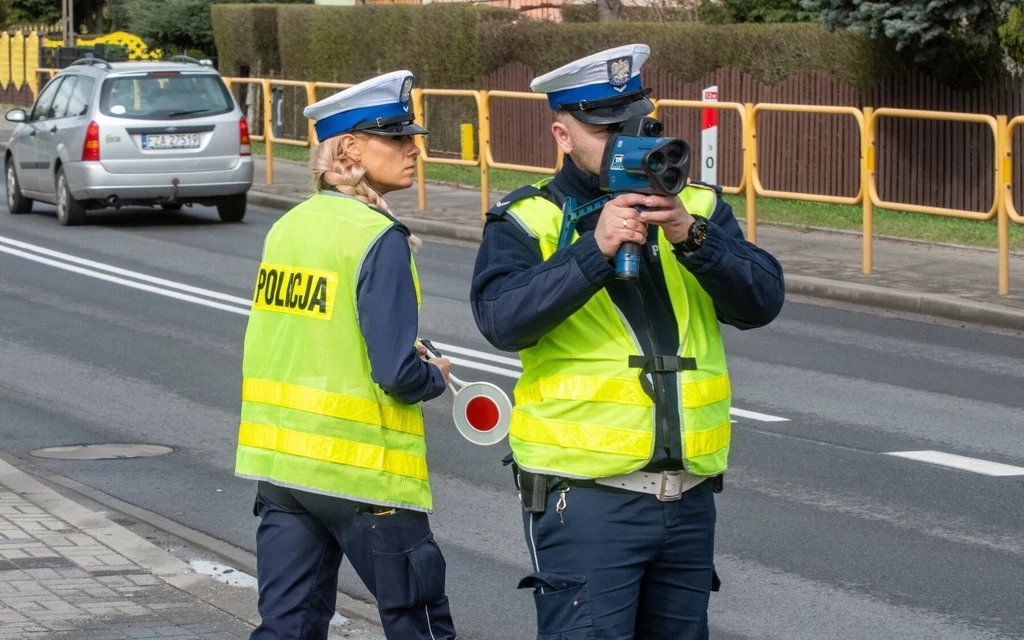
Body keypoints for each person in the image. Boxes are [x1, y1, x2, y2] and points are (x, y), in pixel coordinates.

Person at [470, 44, 785, 639]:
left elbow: (762, 302)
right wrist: (594, 251)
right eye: (606, 128)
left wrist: (694, 238)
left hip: (689, 497)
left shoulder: (696, 208)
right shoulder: (530, 216)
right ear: (562, 134)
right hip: (585, 500)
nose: (626, 139)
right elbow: (500, 320)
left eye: (637, 122)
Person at [234, 70, 457, 640]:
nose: (413, 150)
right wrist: (432, 376)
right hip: (362, 478)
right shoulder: (378, 236)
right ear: (350, 149)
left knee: (288, 628)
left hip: (284, 470)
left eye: (412, 138)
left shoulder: (288, 226)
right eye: (397, 138)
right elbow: (396, 373)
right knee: (420, 626)